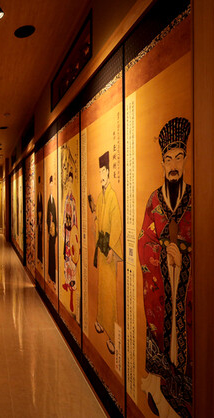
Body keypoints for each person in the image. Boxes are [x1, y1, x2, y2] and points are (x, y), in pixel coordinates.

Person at [138, 117, 192, 418]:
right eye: (168, 159)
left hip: (185, 291)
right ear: (162, 163)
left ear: (185, 159)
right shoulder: (154, 200)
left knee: (184, 345)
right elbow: (143, 242)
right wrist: (162, 255)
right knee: (162, 339)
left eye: (179, 157)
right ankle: (159, 388)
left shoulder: (194, 199)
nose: (174, 165)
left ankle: (183, 392)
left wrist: (183, 259)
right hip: (161, 288)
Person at [91, 151, 122, 355]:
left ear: (109, 172)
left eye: (104, 171)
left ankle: (112, 335)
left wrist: (112, 248)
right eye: (100, 171)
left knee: (110, 291)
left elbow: (117, 224)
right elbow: (99, 222)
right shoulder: (101, 196)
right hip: (101, 249)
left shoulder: (111, 196)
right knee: (102, 288)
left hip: (108, 250)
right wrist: (95, 216)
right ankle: (101, 321)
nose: (101, 175)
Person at [62, 171, 79, 313]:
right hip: (66, 235)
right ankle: (67, 283)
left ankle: (72, 288)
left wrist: (73, 237)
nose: (69, 186)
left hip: (72, 236)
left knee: (72, 263)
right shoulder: (66, 200)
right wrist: (64, 235)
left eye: (70, 183)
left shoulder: (73, 201)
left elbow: (75, 221)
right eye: (67, 183)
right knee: (66, 261)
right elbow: (63, 219)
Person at [46, 175, 57, 284]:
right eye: (50, 184)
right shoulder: (49, 200)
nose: (51, 186)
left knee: (53, 253)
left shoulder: (54, 200)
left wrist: (55, 230)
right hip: (50, 231)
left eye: (53, 184)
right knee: (50, 253)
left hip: (54, 232)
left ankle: (53, 276)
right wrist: (49, 228)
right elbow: (47, 218)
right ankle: (50, 275)